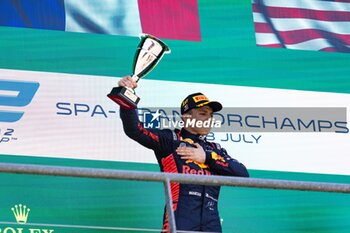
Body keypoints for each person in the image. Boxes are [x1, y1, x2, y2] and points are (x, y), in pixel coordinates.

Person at [118, 76, 249, 232]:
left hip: (212, 222)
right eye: (203, 113)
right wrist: (127, 95)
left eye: (211, 115)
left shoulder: (215, 149)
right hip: (180, 218)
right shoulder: (170, 140)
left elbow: (243, 174)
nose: (209, 119)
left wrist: (206, 157)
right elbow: (135, 130)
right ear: (186, 117)